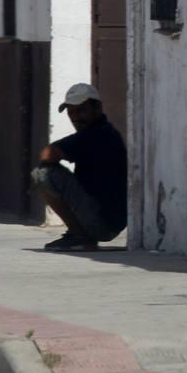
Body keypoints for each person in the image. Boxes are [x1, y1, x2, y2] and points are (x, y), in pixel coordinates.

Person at [31, 83, 128, 252]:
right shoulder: (100, 133)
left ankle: (79, 235)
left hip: (103, 221)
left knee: (43, 174)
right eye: (71, 113)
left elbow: (48, 154)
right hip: (105, 219)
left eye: (81, 111)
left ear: (97, 108)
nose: (75, 117)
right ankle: (80, 234)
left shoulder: (98, 134)